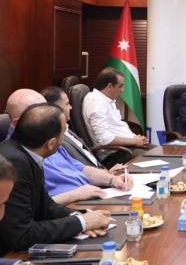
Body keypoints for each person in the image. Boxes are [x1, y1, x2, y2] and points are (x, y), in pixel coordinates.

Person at [0, 104, 111, 254]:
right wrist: (81, 223)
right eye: (63, 133)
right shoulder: (15, 163)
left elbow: (46, 205)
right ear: (51, 143)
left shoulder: (27, 152)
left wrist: (81, 218)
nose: (64, 138)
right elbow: (21, 235)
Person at [7, 88, 131, 205]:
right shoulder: (15, 160)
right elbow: (37, 208)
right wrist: (74, 195)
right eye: (40, 113)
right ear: (18, 123)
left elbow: (81, 169)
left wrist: (111, 179)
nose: (49, 116)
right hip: (71, 206)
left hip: (92, 196)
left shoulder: (46, 139)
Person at [41, 86, 125, 172]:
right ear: (55, 108)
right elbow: (74, 171)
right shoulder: (57, 140)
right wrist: (108, 175)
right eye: (67, 104)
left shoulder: (67, 129)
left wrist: (108, 172)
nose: (71, 107)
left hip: (101, 172)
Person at [83, 67, 148, 149]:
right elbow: (104, 139)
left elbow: (115, 126)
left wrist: (134, 138)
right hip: (116, 151)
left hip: (128, 144)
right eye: (120, 86)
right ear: (110, 86)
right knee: (157, 154)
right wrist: (134, 141)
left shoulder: (106, 99)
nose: (122, 90)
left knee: (157, 151)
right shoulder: (96, 104)